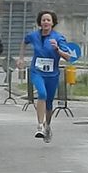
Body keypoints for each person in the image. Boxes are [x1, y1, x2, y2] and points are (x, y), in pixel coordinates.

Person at [17, 10, 71, 143]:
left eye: (48, 20)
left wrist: (57, 49)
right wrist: (21, 58)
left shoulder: (58, 38)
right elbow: (24, 41)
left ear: (53, 23)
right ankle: (40, 126)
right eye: (43, 20)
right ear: (40, 22)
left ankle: (47, 126)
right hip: (37, 71)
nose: (45, 22)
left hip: (52, 75)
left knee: (49, 104)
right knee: (41, 93)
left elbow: (69, 57)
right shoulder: (34, 35)